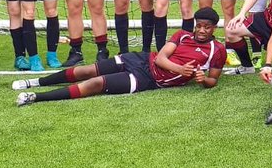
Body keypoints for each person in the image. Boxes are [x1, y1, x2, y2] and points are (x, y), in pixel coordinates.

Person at [12, 7, 226, 105]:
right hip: (142, 59)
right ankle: (35, 82)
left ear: (214, 28)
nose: (201, 30)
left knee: (95, 83)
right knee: (87, 70)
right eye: (199, 26)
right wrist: (181, 70)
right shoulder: (182, 35)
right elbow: (160, 58)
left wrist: (202, 80)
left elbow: (213, 80)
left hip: (149, 79)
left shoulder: (217, 50)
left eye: (207, 27)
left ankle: (35, 97)